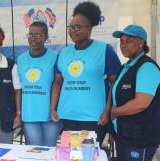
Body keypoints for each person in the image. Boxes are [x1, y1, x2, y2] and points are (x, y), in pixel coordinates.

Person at [50, 1, 121, 145]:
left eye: (78, 27)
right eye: (71, 27)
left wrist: (107, 111)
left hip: (94, 118)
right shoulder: (63, 53)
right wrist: (52, 109)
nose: (73, 30)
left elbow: (115, 83)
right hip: (68, 115)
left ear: (89, 28)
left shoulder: (104, 50)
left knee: (89, 159)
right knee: (71, 159)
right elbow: (57, 83)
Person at [111, 24, 160, 161]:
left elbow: (141, 103)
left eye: (129, 41)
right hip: (126, 135)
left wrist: (115, 112)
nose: (123, 45)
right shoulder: (126, 66)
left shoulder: (147, 67)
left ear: (141, 43)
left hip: (141, 138)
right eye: (122, 41)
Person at [17, 21, 62, 146]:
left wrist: (53, 109)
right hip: (29, 114)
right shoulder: (20, 59)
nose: (33, 39)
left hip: (50, 116)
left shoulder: (55, 56)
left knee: (49, 151)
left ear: (46, 37)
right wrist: (18, 113)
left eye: (38, 35)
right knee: (35, 152)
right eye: (31, 35)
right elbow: (18, 89)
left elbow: (58, 84)